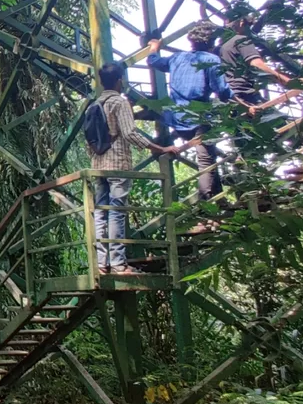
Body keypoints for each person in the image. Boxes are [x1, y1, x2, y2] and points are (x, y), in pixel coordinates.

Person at [88, 62, 175, 274]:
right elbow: (129, 134)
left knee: (101, 213)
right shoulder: (119, 102)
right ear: (120, 80)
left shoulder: (94, 104)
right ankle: (118, 264)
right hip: (118, 165)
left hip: (98, 166)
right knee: (117, 212)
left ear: (101, 81)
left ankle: (102, 264)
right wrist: (159, 148)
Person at [146, 22, 232, 200]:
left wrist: (154, 48)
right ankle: (205, 201)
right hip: (199, 116)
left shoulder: (177, 58)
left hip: (176, 118)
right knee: (206, 159)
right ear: (212, 43)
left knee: (208, 156)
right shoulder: (211, 60)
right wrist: (240, 101)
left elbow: (153, 61)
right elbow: (222, 91)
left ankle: (220, 200)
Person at [218, 19, 301, 113]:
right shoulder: (240, 40)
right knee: (277, 121)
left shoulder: (219, 48)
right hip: (245, 95)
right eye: (248, 26)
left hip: (227, 100)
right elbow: (257, 65)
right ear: (241, 23)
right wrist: (289, 82)